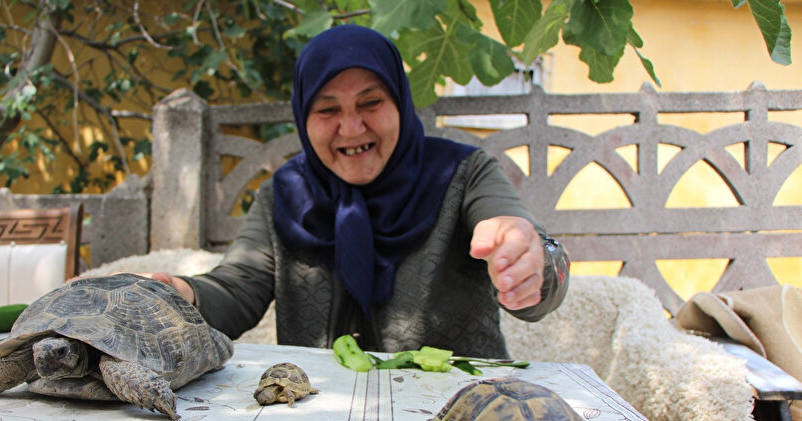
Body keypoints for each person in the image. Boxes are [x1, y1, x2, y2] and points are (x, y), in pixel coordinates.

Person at [149, 25, 569, 358]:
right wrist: (180, 294)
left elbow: (530, 258)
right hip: (322, 418)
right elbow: (238, 289)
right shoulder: (285, 195)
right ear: (303, 116)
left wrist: (530, 264)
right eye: (328, 109)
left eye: (371, 103)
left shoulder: (463, 174)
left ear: (400, 103)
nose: (351, 129)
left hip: (459, 420)